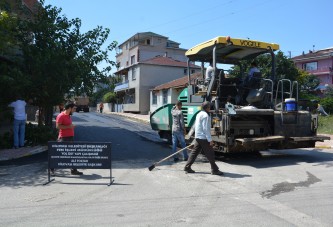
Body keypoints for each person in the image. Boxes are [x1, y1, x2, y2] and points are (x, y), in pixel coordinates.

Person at [184, 101, 224, 175]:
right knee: (210, 153)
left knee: (194, 153)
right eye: (209, 107)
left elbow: (197, 126)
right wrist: (210, 140)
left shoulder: (199, 114)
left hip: (198, 137)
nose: (210, 108)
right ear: (208, 108)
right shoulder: (206, 116)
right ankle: (214, 170)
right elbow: (206, 129)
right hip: (203, 137)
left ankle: (187, 167)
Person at [52, 101, 83, 175]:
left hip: (70, 137)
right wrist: (69, 127)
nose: (75, 110)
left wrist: (71, 126)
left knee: (72, 154)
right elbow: (58, 126)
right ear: (69, 108)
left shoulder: (68, 115)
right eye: (74, 108)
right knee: (60, 155)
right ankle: (52, 168)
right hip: (63, 138)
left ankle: (74, 170)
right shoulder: (61, 116)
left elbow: (68, 125)